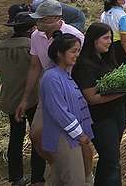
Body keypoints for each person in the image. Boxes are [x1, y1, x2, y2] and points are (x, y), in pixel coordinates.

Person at [73, 22, 126, 186]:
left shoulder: (107, 58)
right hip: (100, 118)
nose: (109, 41)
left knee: (110, 158)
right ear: (93, 40)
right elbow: (92, 98)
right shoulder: (85, 66)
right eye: (105, 38)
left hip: (116, 113)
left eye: (110, 38)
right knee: (111, 159)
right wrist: (125, 91)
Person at [15, 0, 86, 157]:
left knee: (78, 134)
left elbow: (78, 67)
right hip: (48, 89)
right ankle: (55, 165)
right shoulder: (35, 36)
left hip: (69, 89)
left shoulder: (74, 36)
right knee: (36, 134)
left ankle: (85, 175)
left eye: (41, 19)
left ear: (55, 19)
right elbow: (35, 66)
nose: (37, 23)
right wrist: (25, 99)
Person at [0, 5, 46, 186]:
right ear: (32, 28)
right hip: (32, 97)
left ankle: (15, 177)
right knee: (37, 136)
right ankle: (37, 176)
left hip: (9, 98)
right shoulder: (31, 46)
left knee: (15, 137)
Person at [39, 33, 93, 186]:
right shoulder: (52, 77)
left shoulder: (63, 75)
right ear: (59, 53)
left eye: (78, 51)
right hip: (63, 138)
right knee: (73, 180)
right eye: (73, 51)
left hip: (70, 137)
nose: (77, 55)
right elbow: (59, 111)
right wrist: (80, 134)